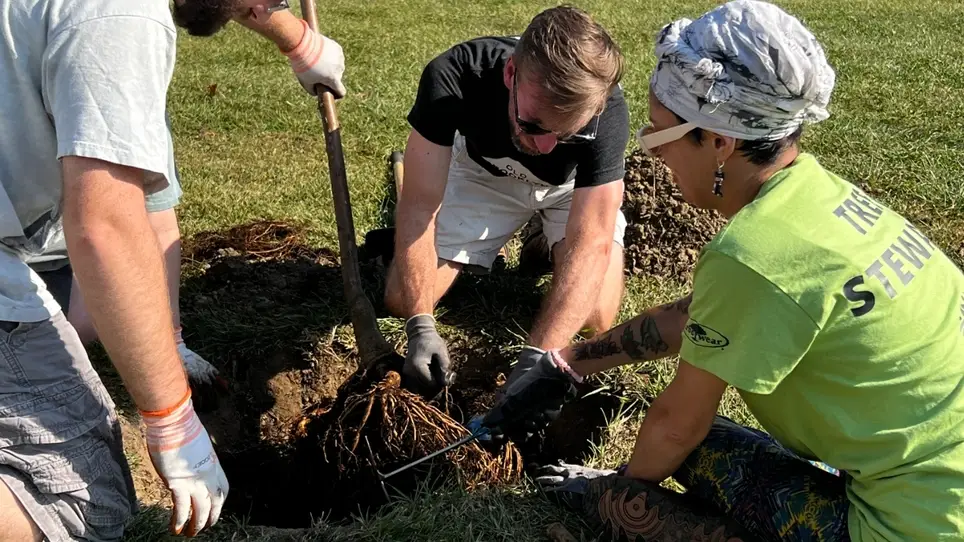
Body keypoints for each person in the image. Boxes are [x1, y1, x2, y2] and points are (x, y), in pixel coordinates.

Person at [481, 1, 964, 541]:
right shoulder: (819, 199)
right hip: (937, 478)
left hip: (917, 525)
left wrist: (613, 494)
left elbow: (675, 427)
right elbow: (699, 316)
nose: (651, 156)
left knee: (679, 455)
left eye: (658, 137)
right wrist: (565, 363)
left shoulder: (754, 255)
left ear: (719, 142)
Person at [0, 0, 345, 539]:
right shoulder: (123, 19)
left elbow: (148, 212)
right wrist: (171, 420)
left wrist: (297, 41)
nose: (269, 7)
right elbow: (106, 229)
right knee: (83, 499)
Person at [384, 5, 631, 398]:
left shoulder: (608, 110)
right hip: (486, 174)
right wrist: (420, 325)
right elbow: (418, 207)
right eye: (533, 125)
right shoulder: (456, 76)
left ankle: (542, 234)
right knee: (402, 295)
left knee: (595, 317)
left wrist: (539, 358)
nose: (546, 145)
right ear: (510, 74)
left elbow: (594, 242)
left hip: (569, 191)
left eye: (568, 133)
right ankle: (532, 236)